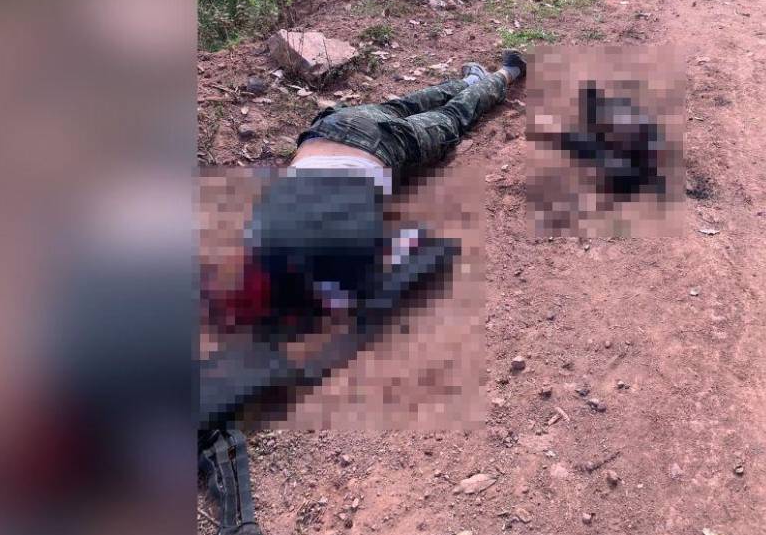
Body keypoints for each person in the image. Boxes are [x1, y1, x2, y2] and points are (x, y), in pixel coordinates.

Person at [203, 50, 527, 340]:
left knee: (452, 118)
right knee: (404, 105)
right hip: (328, 127)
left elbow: (426, 249)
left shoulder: (337, 276)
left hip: (380, 147)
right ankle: (469, 80)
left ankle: (507, 72)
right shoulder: (259, 235)